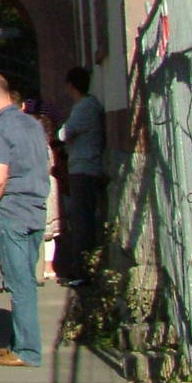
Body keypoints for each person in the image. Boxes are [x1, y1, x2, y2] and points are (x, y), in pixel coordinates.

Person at [0, 72, 52, 367]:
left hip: (12, 210)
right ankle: (20, 341)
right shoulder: (32, 123)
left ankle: (27, 351)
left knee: (20, 284)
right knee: (26, 279)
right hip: (35, 205)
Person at [56, 66, 105, 286]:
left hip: (83, 168)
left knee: (82, 221)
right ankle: (84, 268)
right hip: (87, 166)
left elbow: (64, 133)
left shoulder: (84, 107)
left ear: (71, 86)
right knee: (83, 220)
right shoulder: (90, 105)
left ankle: (82, 272)